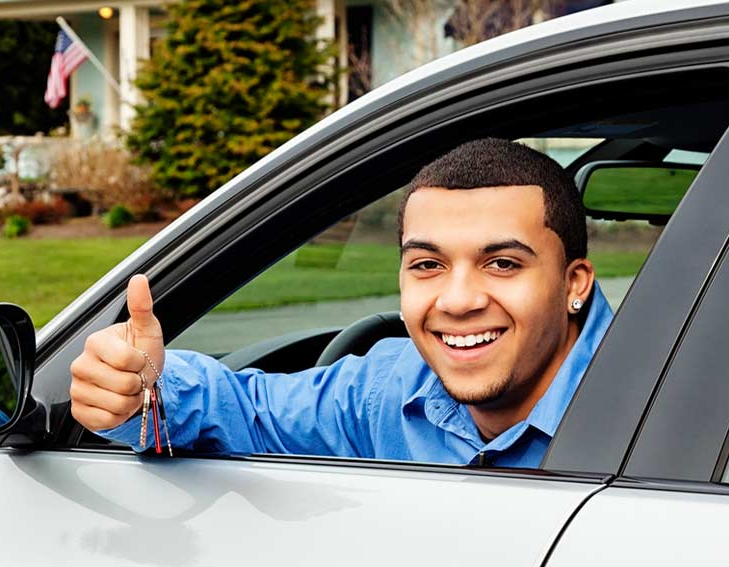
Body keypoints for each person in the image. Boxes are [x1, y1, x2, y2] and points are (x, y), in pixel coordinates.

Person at [70, 138, 607, 467]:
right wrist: (141, 391)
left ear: (573, 283)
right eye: (427, 265)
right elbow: (249, 414)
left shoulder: (667, 398)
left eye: (503, 264)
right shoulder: (389, 387)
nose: (459, 300)